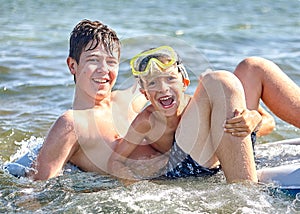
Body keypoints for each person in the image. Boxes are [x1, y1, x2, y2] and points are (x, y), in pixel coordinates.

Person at [108, 46, 258, 183]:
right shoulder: (147, 120)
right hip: (185, 169)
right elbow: (115, 160)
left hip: (215, 160)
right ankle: (246, 189)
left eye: (170, 78)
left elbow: (240, 122)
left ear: (185, 83)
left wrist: (254, 119)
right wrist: (133, 183)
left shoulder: (196, 107)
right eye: (152, 83)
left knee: (229, 83)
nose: (163, 88)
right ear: (145, 94)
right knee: (218, 81)